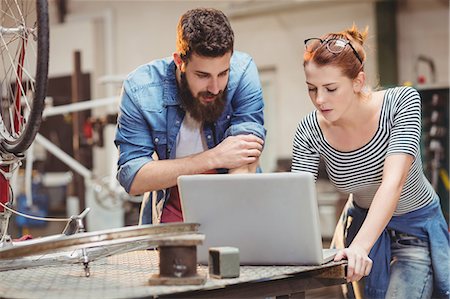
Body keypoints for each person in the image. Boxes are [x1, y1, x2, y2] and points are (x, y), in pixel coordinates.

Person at [292, 25, 449, 299]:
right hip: (360, 226)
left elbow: (393, 183)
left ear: (358, 81)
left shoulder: (401, 103)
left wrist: (360, 248)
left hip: (413, 230)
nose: (319, 99)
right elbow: (294, 200)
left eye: (330, 88)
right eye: (311, 89)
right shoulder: (309, 130)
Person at [115, 8, 265, 225]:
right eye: (202, 75)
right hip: (172, 215)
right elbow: (133, 176)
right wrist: (212, 158)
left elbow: (244, 155)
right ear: (179, 62)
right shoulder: (140, 89)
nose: (215, 88)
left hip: (234, 203)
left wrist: (232, 225)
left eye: (223, 74)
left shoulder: (243, 72)